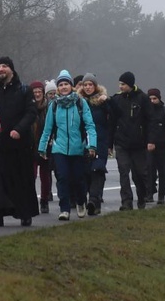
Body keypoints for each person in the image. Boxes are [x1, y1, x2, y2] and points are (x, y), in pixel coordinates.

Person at [38, 70, 97, 220]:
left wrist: (92, 146)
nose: (64, 87)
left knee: (78, 178)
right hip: (59, 148)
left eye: (66, 84)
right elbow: (48, 128)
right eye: (61, 84)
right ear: (58, 87)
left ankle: (81, 202)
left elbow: (90, 125)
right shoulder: (54, 105)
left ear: (71, 86)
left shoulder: (80, 102)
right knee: (63, 178)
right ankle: (64, 209)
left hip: (78, 148)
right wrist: (42, 147)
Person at [0, 56, 39, 227]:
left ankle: (25, 214)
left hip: (19, 144)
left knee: (22, 180)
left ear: (11, 69)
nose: (1, 69)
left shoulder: (24, 90)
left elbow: (31, 112)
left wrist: (19, 129)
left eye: (4, 66)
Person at [109, 71, 157, 211]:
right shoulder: (117, 100)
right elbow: (112, 122)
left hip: (138, 144)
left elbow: (151, 121)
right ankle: (126, 201)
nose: (120, 87)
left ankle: (141, 197)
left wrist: (151, 140)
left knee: (139, 173)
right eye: (119, 84)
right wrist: (109, 144)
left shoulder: (142, 99)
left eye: (123, 84)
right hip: (121, 143)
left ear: (130, 84)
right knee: (123, 171)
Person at [78, 72, 110, 215]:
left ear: (95, 86)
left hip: (100, 141)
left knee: (98, 169)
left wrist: (107, 101)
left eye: (90, 84)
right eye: (85, 85)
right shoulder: (79, 102)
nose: (88, 87)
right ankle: (89, 200)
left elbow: (114, 116)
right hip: (84, 142)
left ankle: (94, 200)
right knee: (86, 172)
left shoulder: (102, 102)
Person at [30, 80, 53, 213]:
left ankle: (44, 200)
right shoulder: (28, 107)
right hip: (31, 146)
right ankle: (31, 199)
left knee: (45, 175)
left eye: (39, 92)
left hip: (45, 145)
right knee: (31, 175)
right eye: (35, 92)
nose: (37, 94)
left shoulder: (49, 107)